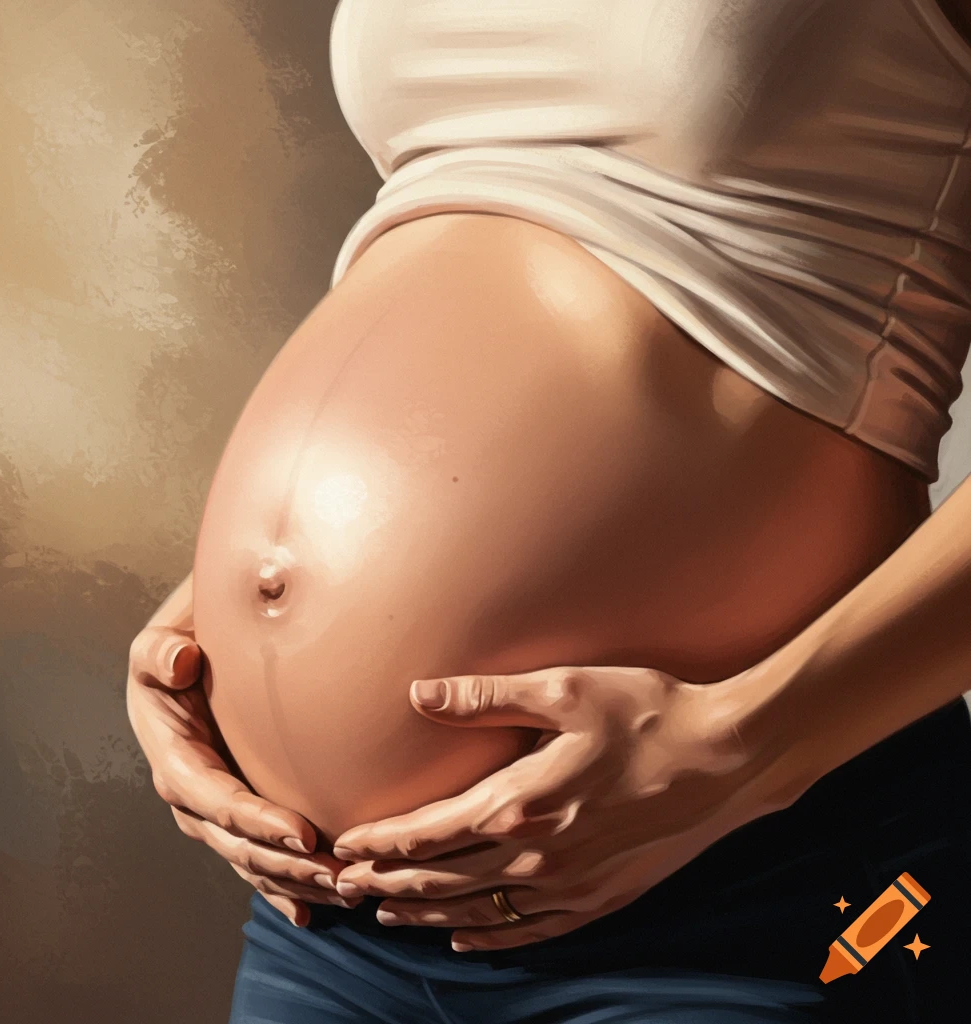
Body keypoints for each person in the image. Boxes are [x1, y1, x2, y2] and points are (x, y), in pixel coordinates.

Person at [127, 1, 971, 1020]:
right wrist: (216, 619)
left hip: (737, 892)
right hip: (332, 920)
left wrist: (740, 748)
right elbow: (477, 237)